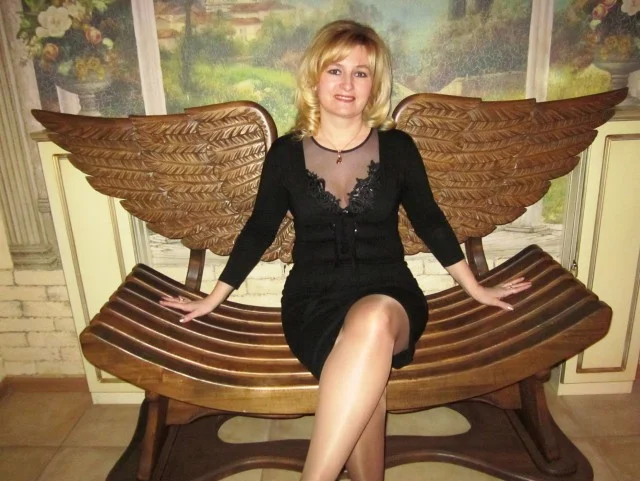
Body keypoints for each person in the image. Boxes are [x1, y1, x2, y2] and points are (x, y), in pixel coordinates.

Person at [160, 19, 531, 481]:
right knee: (365, 385)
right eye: (336, 70)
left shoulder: (398, 149)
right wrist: (214, 297)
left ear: (375, 84)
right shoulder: (285, 155)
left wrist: (475, 287)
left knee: (372, 323)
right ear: (315, 77)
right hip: (311, 300)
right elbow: (258, 230)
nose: (347, 84)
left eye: (361, 73)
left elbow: (430, 221)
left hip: (389, 296)